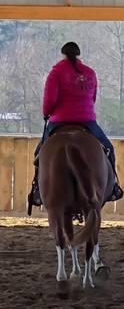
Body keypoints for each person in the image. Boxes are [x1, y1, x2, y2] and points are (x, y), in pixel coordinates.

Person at [29, 41, 123, 208]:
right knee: (108, 149)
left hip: (60, 120)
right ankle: (114, 187)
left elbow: (49, 99)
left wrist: (46, 114)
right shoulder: (90, 73)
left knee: (40, 153)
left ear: (63, 54)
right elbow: (92, 98)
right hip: (86, 120)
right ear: (78, 54)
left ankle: (37, 189)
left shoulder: (56, 73)